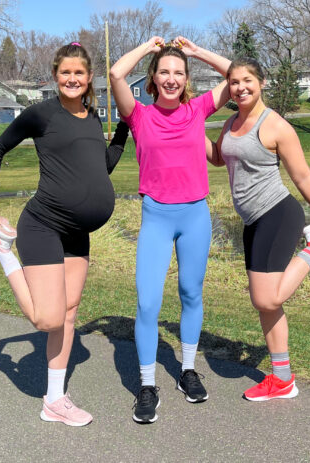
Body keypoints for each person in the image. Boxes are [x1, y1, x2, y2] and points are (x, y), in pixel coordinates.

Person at [0, 43, 129, 427]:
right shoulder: (41, 114)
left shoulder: (93, 117)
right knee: (47, 320)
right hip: (44, 224)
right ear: (56, 75)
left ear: (88, 77)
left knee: (69, 314)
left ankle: (54, 400)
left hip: (78, 232)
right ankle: (3, 252)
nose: (73, 79)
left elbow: (101, 167)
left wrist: (125, 128)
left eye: (79, 73)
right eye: (65, 73)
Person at [205, 58, 310, 401]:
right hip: (252, 221)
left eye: (248, 80)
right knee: (266, 306)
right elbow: (218, 158)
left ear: (262, 82)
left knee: (267, 297)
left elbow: (302, 176)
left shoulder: (276, 126)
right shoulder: (230, 123)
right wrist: (189, 126)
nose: (241, 87)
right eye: (234, 82)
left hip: (278, 214)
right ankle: (282, 380)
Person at [110, 36, 230, 423]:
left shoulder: (198, 111)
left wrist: (196, 52)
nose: (172, 78)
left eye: (179, 72)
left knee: (191, 294)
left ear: (186, 79)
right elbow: (114, 73)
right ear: (153, 77)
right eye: (165, 71)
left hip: (195, 215)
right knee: (147, 302)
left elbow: (237, 75)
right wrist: (149, 48)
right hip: (157, 217)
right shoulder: (139, 115)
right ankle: (147, 385)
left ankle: (188, 370)